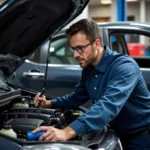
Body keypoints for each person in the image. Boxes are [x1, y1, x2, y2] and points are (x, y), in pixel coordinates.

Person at [33, 19, 150, 150]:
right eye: (73, 49)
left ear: (97, 43)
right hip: (115, 133)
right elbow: (77, 97)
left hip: (141, 137)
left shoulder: (124, 67)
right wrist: (48, 103)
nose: (75, 55)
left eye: (80, 48)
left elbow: (108, 105)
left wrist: (67, 132)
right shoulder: (89, 69)